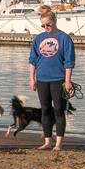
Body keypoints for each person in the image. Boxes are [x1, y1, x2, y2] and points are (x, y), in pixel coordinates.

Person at [28, 10, 75, 152]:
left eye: (48, 24)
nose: (46, 27)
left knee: (59, 111)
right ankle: (47, 141)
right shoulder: (38, 39)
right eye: (43, 25)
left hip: (58, 79)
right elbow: (33, 60)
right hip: (41, 79)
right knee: (45, 110)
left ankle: (58, 143)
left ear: (54, 21)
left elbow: (69, 62)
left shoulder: (64, 38)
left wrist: (68, 81)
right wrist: (32, 78)